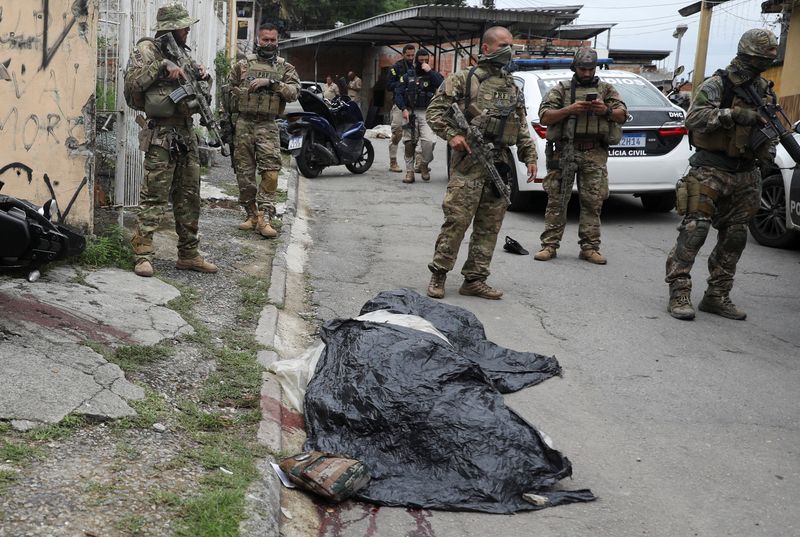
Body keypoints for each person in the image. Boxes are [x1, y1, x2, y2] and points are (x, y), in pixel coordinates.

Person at [665, 28, 778, 321]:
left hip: (745, 173)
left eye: (765, 60)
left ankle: (717, 295)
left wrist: (768, 152)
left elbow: (769, 128)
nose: (762, 65)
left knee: (736, 236)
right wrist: (732, 114)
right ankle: (679, 290)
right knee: (695, 230)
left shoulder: (764, 88)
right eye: (758, 59)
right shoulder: (717, 84)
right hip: (710, 169)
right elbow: (693, 119)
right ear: (745, 56)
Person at [425, 26, 537, 300]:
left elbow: (520, 124)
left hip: (499, 162)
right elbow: (434, 112)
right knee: (457, 221)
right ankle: (439, 275)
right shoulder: (463, 79)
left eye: (510, 44)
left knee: (489, 226)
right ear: (485, 49)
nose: (507, 50)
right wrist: (452, 135)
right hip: (469, 162)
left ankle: (475, 279)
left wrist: (529, 155)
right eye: (502, 45)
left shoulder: (511, 85)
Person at [125, 1, 217, 278]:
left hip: (186, 132)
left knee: (189, 196)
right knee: (154, 196)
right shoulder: (146, 51)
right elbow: (131, 87)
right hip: (161, 135)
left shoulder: (184, 55)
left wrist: (203, 78)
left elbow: (198, 97)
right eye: (182, 28)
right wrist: (161, 66)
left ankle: (189, 254)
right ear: (169, 29)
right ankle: (142, 254)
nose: (187, 31)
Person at [533, 47, 627, 265]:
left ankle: (590, 247)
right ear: (575, 67)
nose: (586, 73)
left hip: (594, 152)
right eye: (583, 69)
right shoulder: (561, 90)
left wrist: (605, 111)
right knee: (557, 200)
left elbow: (622, 114)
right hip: (566, 150)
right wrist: (570, 109)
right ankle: (549, 245)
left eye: (590, 69)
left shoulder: (606, 89)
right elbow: (545, 116)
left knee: (593, 202)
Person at [227, 22, 300, 237]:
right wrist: (226, 126)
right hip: (243, 124)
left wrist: (271, 83)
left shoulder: (285, 68)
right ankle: (252, 214)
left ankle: (266, 217)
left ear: (277, 41)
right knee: (245, 173)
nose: (268, 43)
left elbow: (295, 92)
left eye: (272, 40)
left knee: (270, 172)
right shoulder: (241, 65)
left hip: (267, 125)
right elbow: (229, 93)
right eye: (265, 39)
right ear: (258, 39)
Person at [395, 49, 444, 183]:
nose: (423, 62)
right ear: (416, 60)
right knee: (409, 143)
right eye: (421, 60)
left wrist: (430, 71)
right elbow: (398, 93)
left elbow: (442, 84)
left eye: (425, 60)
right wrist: (403, 108)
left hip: (426, 112)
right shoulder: (408, 76)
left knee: (429, 142)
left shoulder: (432, 75)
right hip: (410, 112)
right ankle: (410, 172)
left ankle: (424, 164)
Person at [387, 44, 416, 173]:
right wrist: (403, 83)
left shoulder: (417, 67)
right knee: (397, 133)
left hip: (414, 106)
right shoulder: (395, 68)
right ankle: (393, 161)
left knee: (415, 136)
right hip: (400, 104)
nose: (411, 57)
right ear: (403, 54)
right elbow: (389, 85)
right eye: (408, 55)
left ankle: (418, 163)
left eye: (412, 55)